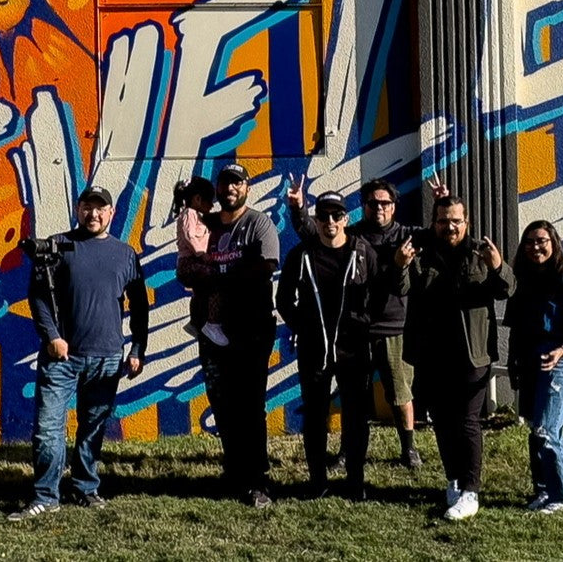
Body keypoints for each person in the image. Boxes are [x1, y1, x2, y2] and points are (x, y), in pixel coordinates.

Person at [10, 185, 149, 520]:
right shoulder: (58, 247)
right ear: (77, 209)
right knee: (47, 429)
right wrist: (52, 337)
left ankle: (86, 487)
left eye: (101, 208)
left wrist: (137, 348)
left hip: (107, 358)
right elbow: (39, 298)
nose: (94, 214)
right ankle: (46, 496)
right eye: (88, 207)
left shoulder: (126, 254)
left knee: (92, 428)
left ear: (112, 213)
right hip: (62, 359)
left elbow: (140, 304)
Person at [395, 185, 514, 522]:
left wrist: (498, 266)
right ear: (434, 222)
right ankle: (454, 480)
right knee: (444, 423)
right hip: (432, 354)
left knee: (468, 422)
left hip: (473, 355)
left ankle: (471, 491)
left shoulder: (480, 253)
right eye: (444, 220)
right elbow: (399, 288)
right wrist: (400, 265)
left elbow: (507, 289)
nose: (450, 227)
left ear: (467, 223)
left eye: (457, 221)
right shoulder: (421, 254)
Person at [177, 162, 281, 508]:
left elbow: (265, 267)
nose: (230, 189)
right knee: (222, 403)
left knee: (250, 406)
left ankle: (257, 478)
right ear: (216, 190)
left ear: (247, 187)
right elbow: (185, 270)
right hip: (211, 331)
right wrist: (199, 272)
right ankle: (234, 470)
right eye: (225, 184)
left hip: (251, 329)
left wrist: (218, 275)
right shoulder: (203, 224)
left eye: (237, 183)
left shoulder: (258, 224)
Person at [275, 190, 382, 499]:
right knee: (315, 415)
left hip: (353, 349)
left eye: (336, 215)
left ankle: (355, 481)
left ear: (346, 219)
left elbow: (379, 295)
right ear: (316, 219)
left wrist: (364, 327)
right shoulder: (301, 255)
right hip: (314, 349)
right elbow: (283, 299)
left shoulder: (363, 252)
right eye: (323, 216)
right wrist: (302, 327)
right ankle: (318, 481)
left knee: (355, 415)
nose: (329, 222)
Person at [504, 220, 563, 515]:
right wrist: (513, 361)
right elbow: (515, 324)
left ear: (554, 243)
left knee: (548, 428)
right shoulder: (523, 278)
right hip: (528, 358)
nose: (535, 247)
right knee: (534, 428)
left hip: (558, 358)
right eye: (529, 242)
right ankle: (542, 490)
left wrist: (561, 350)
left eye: (541, 241)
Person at [352, 177, 423, 469]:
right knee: (355, 395)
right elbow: (314, 234)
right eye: (372, 203)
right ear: (364, 206)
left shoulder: (407, 235)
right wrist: (298, 211)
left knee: (400, 392)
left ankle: (409, 449)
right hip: (357, 328)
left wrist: (443, 202)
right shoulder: (352, 235)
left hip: (395, 327)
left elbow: (441, 234)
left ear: (394, 207)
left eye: (385, 203)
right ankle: (350, 451)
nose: (378, 208)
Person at [172, 176, 228, 347]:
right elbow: (189, 235)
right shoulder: (190, 213)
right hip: (190, 262)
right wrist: (201, 253)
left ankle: (196, 322)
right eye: (209, 201)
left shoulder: (198, 216)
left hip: (193, 263)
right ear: (197, 199)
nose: (211, 206)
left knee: (202, 291)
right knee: (216, 279)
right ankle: (212, 324)